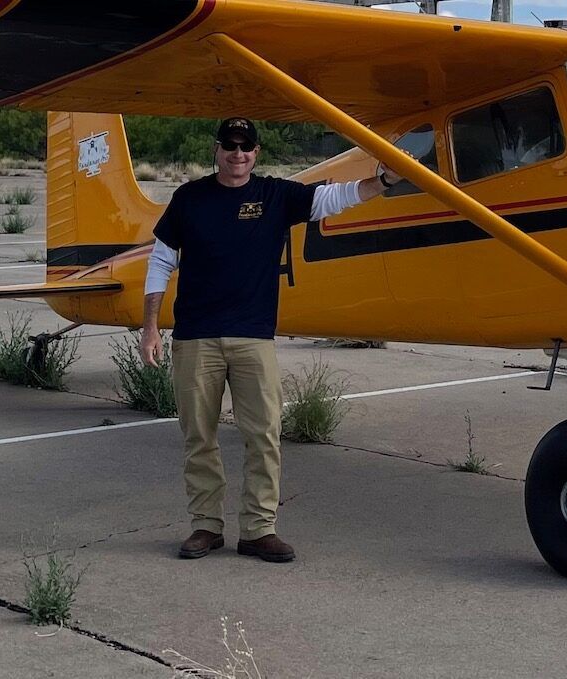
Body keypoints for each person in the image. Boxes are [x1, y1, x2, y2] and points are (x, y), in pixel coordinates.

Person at [140, 117, 405, 563]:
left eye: (246, 147)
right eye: (230, 145)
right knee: (198, 436)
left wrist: (383, 180)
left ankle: (259, 529)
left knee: (264, 434)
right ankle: (205, 525)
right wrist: (150, 326)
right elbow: (161, 260)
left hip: (253, 337)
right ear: (216, 149)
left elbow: (336, 197)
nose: (237, 154)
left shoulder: (276, 195)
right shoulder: (189, 198)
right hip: (195, 337)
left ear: (256, 153)